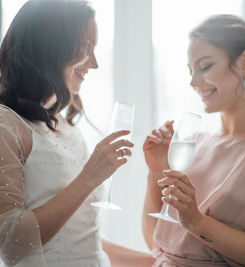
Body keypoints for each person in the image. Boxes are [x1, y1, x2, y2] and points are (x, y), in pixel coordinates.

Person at [142, 14, 245, 266]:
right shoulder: (195, 143)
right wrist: (156, 171)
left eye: (205, 66)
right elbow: (158, 245)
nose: (193, 82)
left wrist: (197, 222)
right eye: (190, 70)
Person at [0, 0, 153, 266]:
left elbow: (80, 239)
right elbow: (11, 244)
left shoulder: (65, 123)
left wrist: (156, 262)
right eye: (85, 48)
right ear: (50, 48)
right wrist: (90, 177)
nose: (93, 63)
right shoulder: (6, 124)